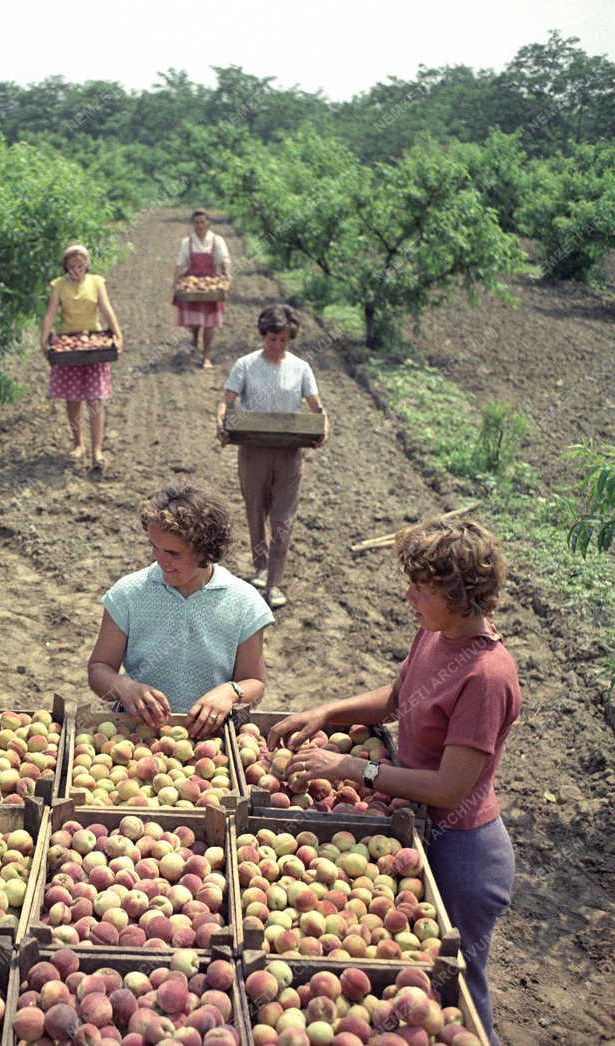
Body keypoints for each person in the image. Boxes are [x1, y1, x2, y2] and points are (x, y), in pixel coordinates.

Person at [271, 518, 521, 1046]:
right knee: (416, 991)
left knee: (456, 995)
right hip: (415, 823)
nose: (409, 596)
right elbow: (397, 697)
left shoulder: (488, 677)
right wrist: (327, 712)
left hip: (461, 849)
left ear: (457, 596)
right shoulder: (435, 630)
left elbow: (451, 788)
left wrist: (350, 768)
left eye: (422, 590)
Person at [88, 484, 273, 739]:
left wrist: (231, 692)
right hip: (137, 733)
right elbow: (99, 668)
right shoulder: (128, 594)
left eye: (173, 553)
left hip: (213, 734)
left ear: (205, 550)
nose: (161, 560)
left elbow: (255, 681)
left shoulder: (244, 603)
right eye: (155, 547)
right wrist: (124, 687)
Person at [216, 303, 328, 609]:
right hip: (253, 450)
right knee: (255, 510)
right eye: (272, 339)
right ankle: (261, 566)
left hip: (289, 452)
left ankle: (274, 582)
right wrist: (221, 423)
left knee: (283, 519)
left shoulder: (301, 368)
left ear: (290, 339)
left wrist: (322, 428)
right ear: (263, 335)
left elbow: (316, 408)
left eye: (283, 340)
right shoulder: (246, 365)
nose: (277, 345)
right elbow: (226, 402)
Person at [41, 244, 124, 475]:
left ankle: (97, 449)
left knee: (96, 400)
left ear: (87, 264)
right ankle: (78, 443)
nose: (77, 270)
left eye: (80, 265)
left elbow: (106, 309)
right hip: (69, 344)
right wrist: (44, 339)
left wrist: (117, 334)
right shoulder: (58, 285)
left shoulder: (97, 282)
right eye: (72, 266)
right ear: (65, 266)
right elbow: (50, 313)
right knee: (73, 399)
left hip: (93, 344)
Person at [172, 210, 231, 370]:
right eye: (196, 222)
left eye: (202, 222)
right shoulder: (188, 242)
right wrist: (176, 282)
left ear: (208, 223)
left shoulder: (217, 241)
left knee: (209, 324)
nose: (199, 226)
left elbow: (225, 260)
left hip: (211, 282)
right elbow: (180, 262)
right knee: (196, 321)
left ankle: (206, 356)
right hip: (193, 282)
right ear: (193, 224)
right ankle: (194, 338)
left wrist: (227, 278)